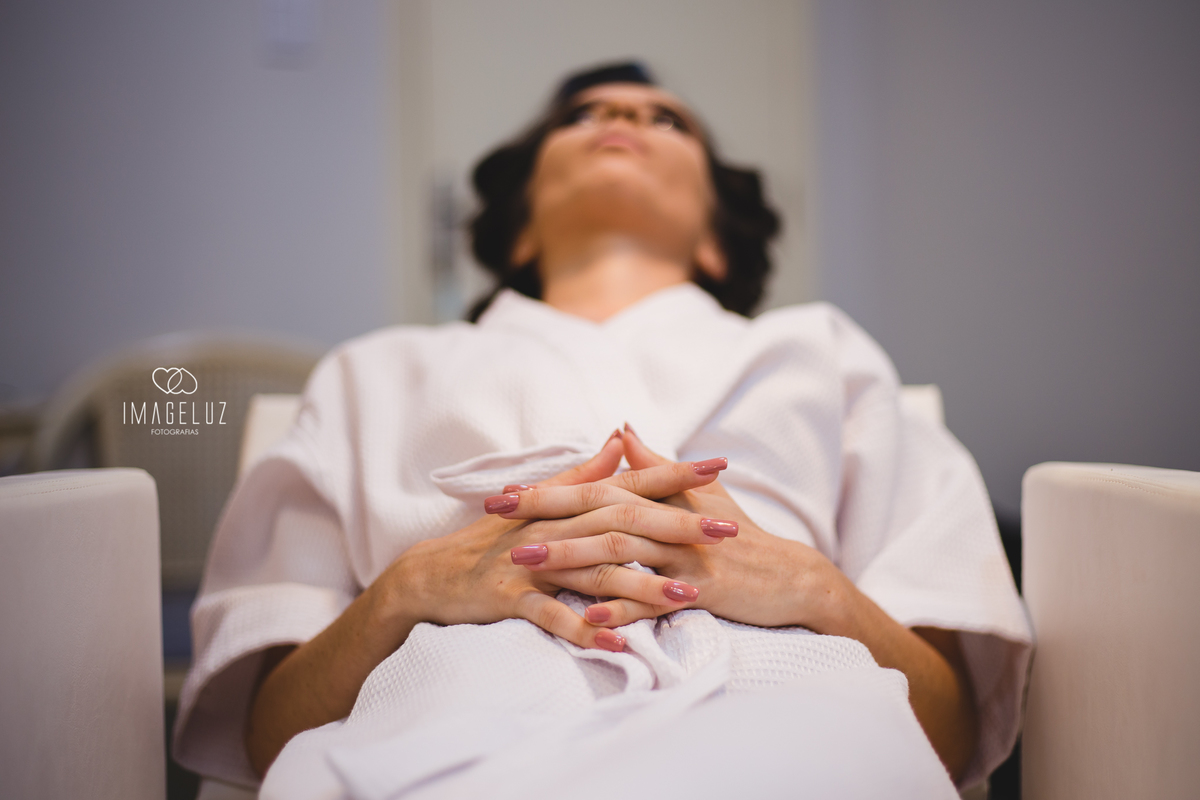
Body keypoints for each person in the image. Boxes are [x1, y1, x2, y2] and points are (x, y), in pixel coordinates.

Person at [174, 63, 1031, 797]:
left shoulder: (822, 356)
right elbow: (267, 738)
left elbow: (949, 735)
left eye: (668, 119)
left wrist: (813, 587)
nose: (622, 116)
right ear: (517, 229)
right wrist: (406, 591)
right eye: (583, 115)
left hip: (798, 734)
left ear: (716, 249)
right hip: (437, 740)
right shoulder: (376, 373)